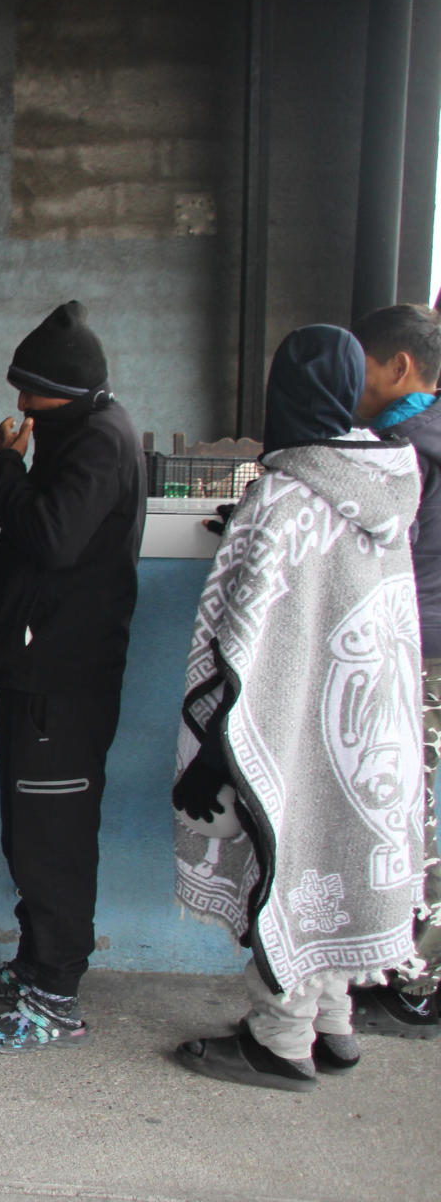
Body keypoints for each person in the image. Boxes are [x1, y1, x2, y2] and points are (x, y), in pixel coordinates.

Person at [172, 324, 423, 1091]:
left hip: (288, 718)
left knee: (288, 860)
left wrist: (216, 748)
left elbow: (247, 639)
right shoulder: (384, 484)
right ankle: (333, 1022)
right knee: (331, 859)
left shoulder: (284, 495)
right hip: (366, 720)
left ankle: (279, 1038)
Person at [0, 301, 145, 1052]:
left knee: (53, 836)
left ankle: (55, 997)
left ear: (66, 390)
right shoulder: (85, 432)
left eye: (31, 392)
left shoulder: (98, 442)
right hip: (43, 673)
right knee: (31, 828)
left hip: (65, 677)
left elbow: (53, 537)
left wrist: (4, 467)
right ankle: (33, 967)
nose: (22, 405)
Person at [351, 302, 441, 1039]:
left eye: (365, 363)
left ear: (400, 367)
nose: (357, 379)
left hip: (425, 656)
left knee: (425, 820)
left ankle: (419, 989)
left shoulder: (407, 448)